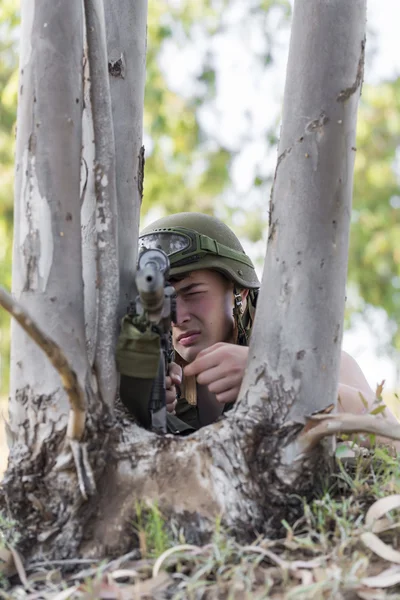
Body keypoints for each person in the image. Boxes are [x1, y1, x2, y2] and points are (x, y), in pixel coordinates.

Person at [118, 212, 398, 438]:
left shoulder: (306, 361)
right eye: (165, 302)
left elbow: (390, 440)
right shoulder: (165, 385)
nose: (178, 318)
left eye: (192, 293)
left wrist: (269, 377)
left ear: (238, 291)